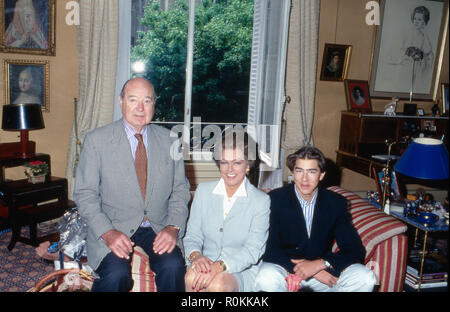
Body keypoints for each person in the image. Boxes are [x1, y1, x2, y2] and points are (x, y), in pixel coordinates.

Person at [73, 77, 191, 292]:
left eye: (147, 101)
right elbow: (85, 194)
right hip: (113, 223)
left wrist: (173, 227)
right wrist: (107, 232)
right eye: (133, 99)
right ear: (121, 101)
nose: (140, 107)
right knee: (116, 274)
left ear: (154, 104)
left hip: (157, 224)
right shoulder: (96, 141)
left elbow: (180, 190)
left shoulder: (171, 140)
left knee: (173, 267)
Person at [255, 146, 377, 292]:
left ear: (321, 175)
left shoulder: (335, 203)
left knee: (365, 278)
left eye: (311, 172)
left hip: (322, 270)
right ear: (293, 173)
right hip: (284, 268)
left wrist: (321, 265)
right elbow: (267, 248)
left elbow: (354, 249)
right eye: (299, 170)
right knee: (266, 278)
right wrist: (307, 269)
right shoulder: (274, 200)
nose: (304, 178)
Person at [183, 131, 270, 292]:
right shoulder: (203, 191)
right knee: (191, 277)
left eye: (237, 162)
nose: (230, 169)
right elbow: (192, 236)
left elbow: (253, 250)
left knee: (218, 284)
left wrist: (219, 266)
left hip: (240, 269)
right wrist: (197, 256)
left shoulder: (261, 201)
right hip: (204, 262)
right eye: (224, 162)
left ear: (248, 165)